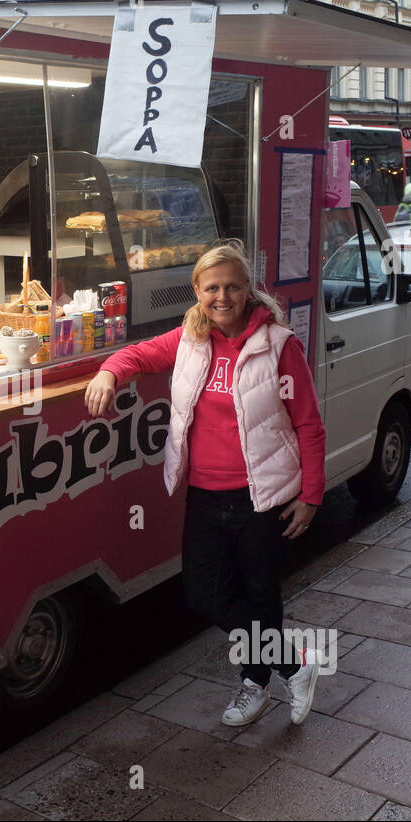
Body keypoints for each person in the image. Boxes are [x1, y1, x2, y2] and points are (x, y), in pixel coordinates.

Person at [84, 241, 328, 727]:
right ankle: (293, 664)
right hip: (204, 495)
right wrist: (109, 373)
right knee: (204, 594)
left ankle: (253, 683)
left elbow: (309, 424)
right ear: (197, 291)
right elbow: (138, 354)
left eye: (232, 286)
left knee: (260, 595)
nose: (222, 296)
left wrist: (311, 496)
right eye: (212, 287)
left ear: (247, 290)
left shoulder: (279, 345)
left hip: (264, 497)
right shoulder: (189, 341)